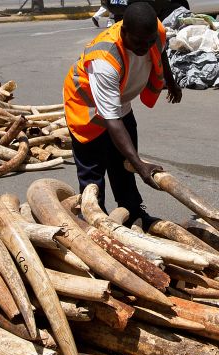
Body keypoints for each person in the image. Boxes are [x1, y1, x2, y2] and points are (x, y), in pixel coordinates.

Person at [63, 2, 182, 228]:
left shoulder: (152, 32)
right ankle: (94, 219)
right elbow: (112, 121)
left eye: (149, 42)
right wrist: (141, 164)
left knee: (124, 165)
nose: (145, 48)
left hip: (119, 102)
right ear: (123, 30)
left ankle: (133, 212)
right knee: (93, 172)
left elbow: (161, 50)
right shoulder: (104, 58)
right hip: (86, 110)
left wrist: (171, 81)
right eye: (138, 42)